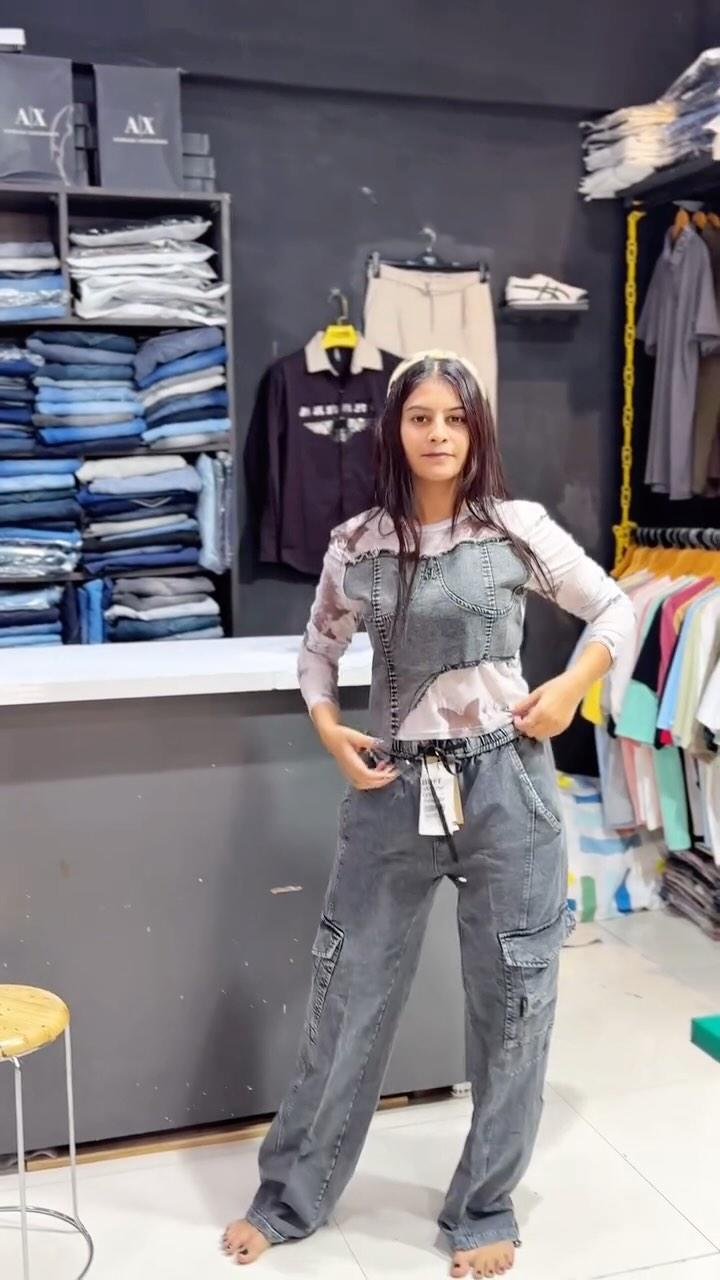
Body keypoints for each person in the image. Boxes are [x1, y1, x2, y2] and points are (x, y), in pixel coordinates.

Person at [223, 351, 635, 1277]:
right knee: (347, 993)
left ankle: (484, 1207)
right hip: (392, 787)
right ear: (395, 428)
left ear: (477, 427)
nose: (438, 433)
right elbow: (316, 651)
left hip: (507, 784)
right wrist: (329, 731)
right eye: (420, 417)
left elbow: (615, 610)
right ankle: (289, 1198)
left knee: (514, 1000)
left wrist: (572, 685)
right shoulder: (357, 543)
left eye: (455, 417)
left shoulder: (518, 528)